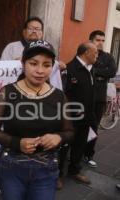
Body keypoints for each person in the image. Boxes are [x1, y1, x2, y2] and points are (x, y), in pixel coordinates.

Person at [0, 40, 73, 200]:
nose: (40, 70)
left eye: (46, 65)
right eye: (33, 63)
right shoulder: (7, 92)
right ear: (23, 63)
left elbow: (69, 131)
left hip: (47, 170)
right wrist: (16, 143)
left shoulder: (59, 96)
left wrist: (58, 137)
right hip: (11, 167)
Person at [58, 42, 98, 189]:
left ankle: (74, 171)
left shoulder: (91, 68)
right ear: (86, 52)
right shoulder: (69, 69)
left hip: (87, 116)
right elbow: (62, 94)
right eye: (95, 53)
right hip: (71, 118)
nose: (97, 55)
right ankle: (57, 175)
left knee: (80, 145)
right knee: (64, 146)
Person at [0, 16, 66, 90]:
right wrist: (15, 63)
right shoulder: (11, 47)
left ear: (42, 33)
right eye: (31, 29)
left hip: (41, 90)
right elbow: (2, 69)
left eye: (37, 29)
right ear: (24, 31)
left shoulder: (47, 48)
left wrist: (58, 66)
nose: (34, 31)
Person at [84, 30, 117, 167]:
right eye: (98, 40)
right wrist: (101, 73)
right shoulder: (84, 53)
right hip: (84, 95)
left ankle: (88, 154)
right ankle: (75, 152)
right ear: (91, 40)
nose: (101, 43)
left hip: (99, 97)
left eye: (103, 40)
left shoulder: (108, 57)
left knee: (94, 126)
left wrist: (95, 71)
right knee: (79, 125)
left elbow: (112, 72)